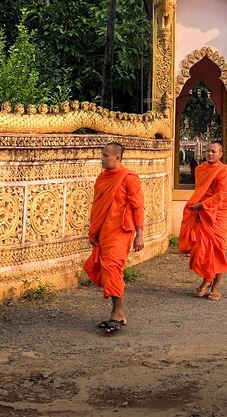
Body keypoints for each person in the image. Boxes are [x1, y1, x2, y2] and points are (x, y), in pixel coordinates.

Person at [83, 142, 145, 335]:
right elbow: (97, 207)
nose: (101, 158)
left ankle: (117, 314)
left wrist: (140, 234)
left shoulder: (129, 179)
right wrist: (94, 232)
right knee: (107, 270)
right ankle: (119, 313)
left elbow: (138, 206)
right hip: (105, 231)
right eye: (102, 155)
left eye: (105, 155)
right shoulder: (102, 178)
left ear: (117, 158)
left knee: (112, 269)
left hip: (121, 231)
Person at [178, 141, 227, 301]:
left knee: (217, 249)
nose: (210, 153)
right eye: (208, 151)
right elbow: (200, 190)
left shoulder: (225, 171)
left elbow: (221, 194)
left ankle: (214, 285)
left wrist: (202, 205)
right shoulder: (200, 169)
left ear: (220, 154)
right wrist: (197, 206)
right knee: (201, 248)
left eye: (214, 151)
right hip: (202, 214)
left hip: (217, 214)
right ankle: (207, 278)